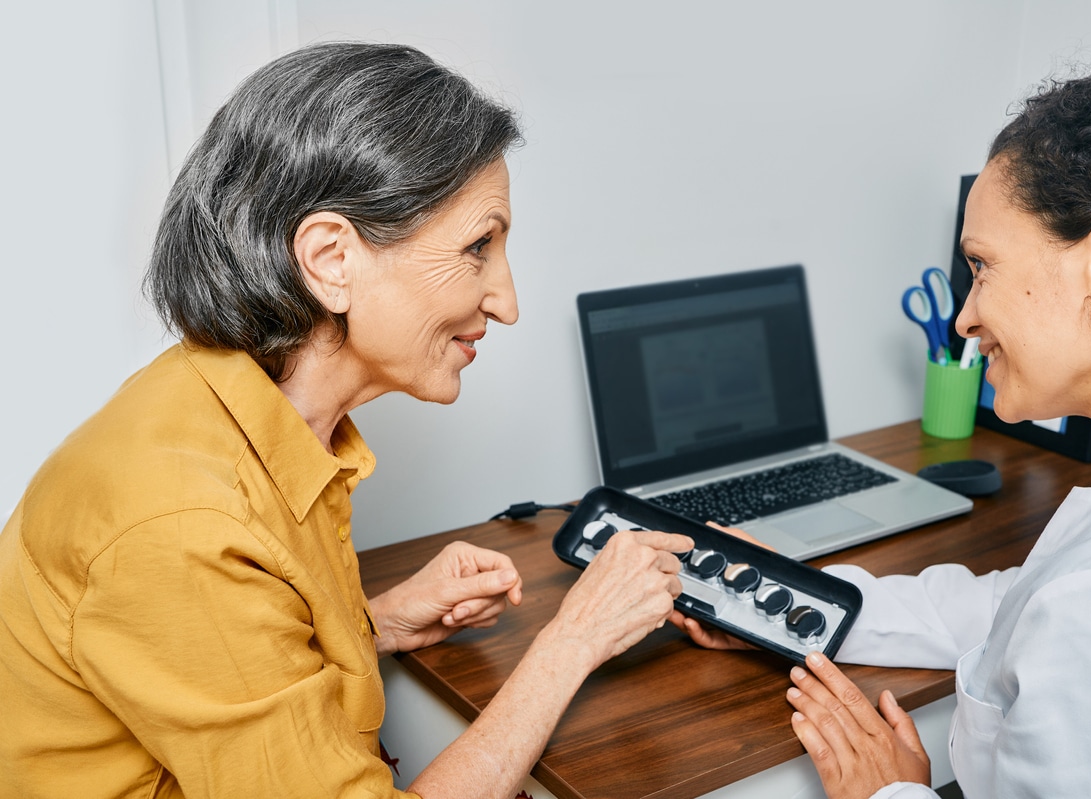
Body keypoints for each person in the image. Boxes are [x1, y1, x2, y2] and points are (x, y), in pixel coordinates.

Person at [0, 42, 692, 799]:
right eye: (477, 246)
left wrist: (377, 622)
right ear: (331, 259)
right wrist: (573, 641)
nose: (507, 301)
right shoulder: (183, 522)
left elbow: (222, 656)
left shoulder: (232, 408)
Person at [681, 63, 1091, 798]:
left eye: (981, 266)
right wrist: (797, 601)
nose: (964, 316)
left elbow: (1078, 619)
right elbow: (1015, 608)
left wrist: (887, 792)